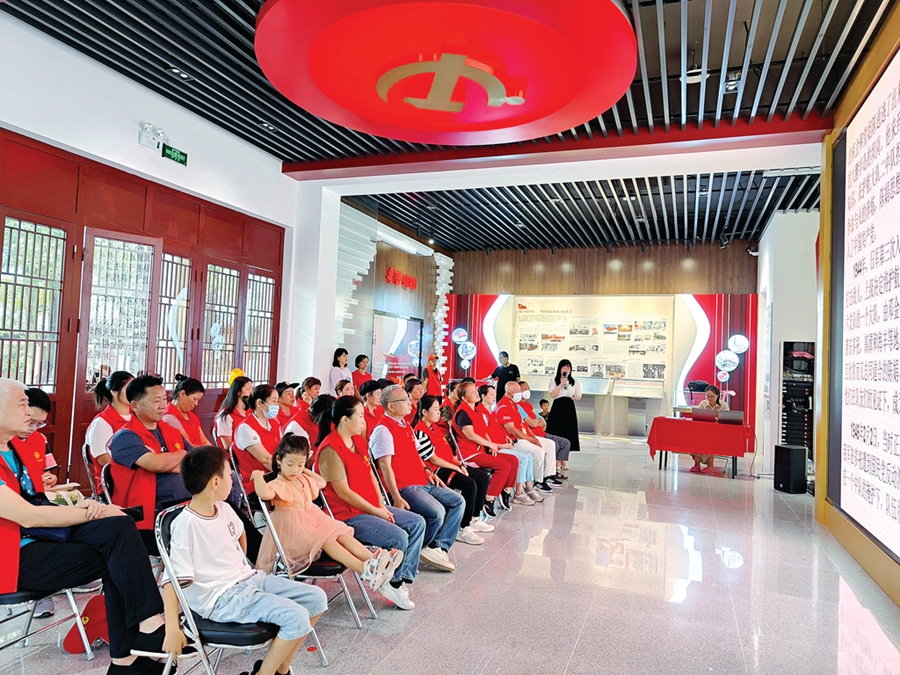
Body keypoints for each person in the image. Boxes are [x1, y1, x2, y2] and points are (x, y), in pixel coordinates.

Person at [0, 378, 176, 675]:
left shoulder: (19, 447)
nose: (29, 411)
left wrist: (92, 509)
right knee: (118, 555)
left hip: (42, 538)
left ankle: (147, 626)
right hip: (13, 556)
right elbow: (29, 516)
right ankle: (127, 655)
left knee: (119, 527)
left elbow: (38, 499)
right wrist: (93, 510)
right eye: (22, 404)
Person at [161, 446, 328, 675]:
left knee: (317, 599)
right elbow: (172, 580)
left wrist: (238, 568)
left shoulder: (224, 508)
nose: (233, 478)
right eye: (229, 473)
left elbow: (239, 536)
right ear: (215, 482)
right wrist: (172, 629)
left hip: (249, 580)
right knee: (296, 617)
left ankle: (280, 669)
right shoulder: (185, 524)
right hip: (222, 598)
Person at [315, 396, 426, 610]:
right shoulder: (330, 450)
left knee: (417, 523)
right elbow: (344, 493)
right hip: (347, 514)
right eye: (359, 416)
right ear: (345, 420)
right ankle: (393, 583)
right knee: (399, 537)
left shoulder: (358, 441)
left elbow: (371, 474)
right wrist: (375, 510)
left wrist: (380, 504)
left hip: (370, 506)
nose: (364, 421)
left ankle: (398, 579)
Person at [252, 433, 401, 589]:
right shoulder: (279, 483)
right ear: (279, 460)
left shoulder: (301, 478)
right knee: (327, 540)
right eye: (290, 464)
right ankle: (364, 569)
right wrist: (257, 476)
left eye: (300, 465)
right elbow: (264, 493)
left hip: (310, 524)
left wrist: (305, 471)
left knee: (341, 533)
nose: (295, 470)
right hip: (293, 535)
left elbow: (321, 482)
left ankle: (373, 560)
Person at [370, 385, 463, 572]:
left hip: (422, 480)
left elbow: (416, 454)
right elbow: (385, 466)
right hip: (405, 486)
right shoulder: (383, 430)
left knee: (457, 501)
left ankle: (437, 547)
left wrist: (427, 471)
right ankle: (421, 548)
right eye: (404, 400)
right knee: (437, 512)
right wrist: (396, 497)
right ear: (391, 406)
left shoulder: (405, 425)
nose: (409, 403)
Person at [109, 375, 191, 531]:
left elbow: (197, 460)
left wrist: (169, 463)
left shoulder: (169, 430)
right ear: (135, 405)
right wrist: (181, 454)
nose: (163, 406)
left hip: (185, 504)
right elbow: (156, 464)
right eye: (156, 401)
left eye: (164, 399)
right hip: (151, 515)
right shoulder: (125, 437)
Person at [414, 396, 494, 544]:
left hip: (449, 464)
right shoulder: (420, 432)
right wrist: (456, 468)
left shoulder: (435, 428)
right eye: (435, 409)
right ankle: (463, 528)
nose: (439, 413)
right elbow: (434, 460)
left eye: (438, 409)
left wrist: (460, 465)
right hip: (437, 470)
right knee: (469, 484)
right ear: (424, 412)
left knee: (483, 478)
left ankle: (474, 518)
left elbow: (448, 454)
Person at [16, 388, 60, 618]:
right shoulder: (8, 441)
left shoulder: (39, 439)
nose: (33, 428)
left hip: (41, 499)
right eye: (31, 421)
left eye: (39, 424)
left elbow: (50, 471)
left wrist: (49, 478)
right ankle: (42, 594)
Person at [450, 382, 517, 518]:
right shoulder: (463, 413)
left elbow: (483, 432)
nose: (476, 393)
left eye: (476, 390)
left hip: (481, 450)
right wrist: (491, 445)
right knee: (504, 465)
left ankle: (505, 491)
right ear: (463, 398)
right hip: (470, 454)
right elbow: (471, 435)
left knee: (513, 460)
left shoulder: (476, 410)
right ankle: (489, 499)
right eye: (472, 392)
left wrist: (490, 445)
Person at [477, 385, 543, 504]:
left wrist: (504, 437)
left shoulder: (490, 411)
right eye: (491, 394)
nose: (494, 397)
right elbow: (484, 434)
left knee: (528, 457)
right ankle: (517, 492)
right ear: (483, 396)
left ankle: (528, 487)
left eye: (494, 394)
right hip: (493, 448)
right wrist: (500, 446)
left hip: (501, 443)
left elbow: (496, 430)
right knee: (522, 458)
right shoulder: (482, 412)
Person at [497, 382, 560, 491]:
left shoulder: (515, 406)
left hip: (524, 436)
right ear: (509, 393)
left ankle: (547, 476)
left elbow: (524, 425)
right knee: (538, 452)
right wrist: (530, 439)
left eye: (520, 390)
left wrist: (533, 437)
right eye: (517, 390)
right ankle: (538, 481)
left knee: (550, 444)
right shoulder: (503, 406)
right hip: (515, 440)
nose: (520, 393)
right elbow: (513, 431)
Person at [85, 370, 133, 494]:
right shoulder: (102, 422)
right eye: (129, 388)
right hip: (113, 483)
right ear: (114, 392)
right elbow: (103, 460)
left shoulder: (139, 415)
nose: (134, 392)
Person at [233, 384, 283, 492]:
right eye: (274, 401)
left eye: (278, 402)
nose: (277, 405)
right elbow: (266, 460)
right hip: (258, 483)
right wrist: (288, 475)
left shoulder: (274, 423)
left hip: (277, 477)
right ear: (260, 403)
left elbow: (283, 450)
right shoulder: (246, 428)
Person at [520, 382, 571, 478]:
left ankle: (554, 468)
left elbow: (543, 422)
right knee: (554, 445)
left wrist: (537, 422)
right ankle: (549, 473)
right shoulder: (518, 406)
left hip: (542, 433)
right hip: (533, 435)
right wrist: (536, 422)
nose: (527, 391)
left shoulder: (529, 405)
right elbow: (532, 423)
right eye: (525, 389)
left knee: (565, 443)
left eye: (528, 388)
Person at [163, 375, 210, 447]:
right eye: (194, 399)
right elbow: (189, 446)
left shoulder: (192, 416)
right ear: (182, 394)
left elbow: (205, 442)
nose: (196, 404)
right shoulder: (169, 418)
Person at [691, 385, 730, 473]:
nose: (709, 398)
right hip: (704, 430)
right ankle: (697, 464)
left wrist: (716, 419)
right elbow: (697, 416)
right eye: (707, 396)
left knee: (711, 439)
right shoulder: (703, 403)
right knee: (695, 439)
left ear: (717, 396)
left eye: (712, 396)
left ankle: (711, 465)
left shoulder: (723, 405)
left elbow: (727, 419)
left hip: (718, 432)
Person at [546, 359, 582, 454]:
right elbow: (552, 394)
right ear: (560, 369)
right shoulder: (554, 380)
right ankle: (556, 455)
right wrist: (561, 384)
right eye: (564, 367)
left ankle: (565, 457)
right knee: (557, 430)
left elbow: (579, 395)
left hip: (569, 406)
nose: (566, 369)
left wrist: (576, 397)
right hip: (558, 407)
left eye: (568, 367)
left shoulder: (574, 381)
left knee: (568, 431)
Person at [214, 375, 252, 450]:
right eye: (248, 389)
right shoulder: (226, 416)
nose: (251, 392)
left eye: (252, 389)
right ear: (238, 392)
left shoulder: (251, 412)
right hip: (237, 454)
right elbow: (228, 445)